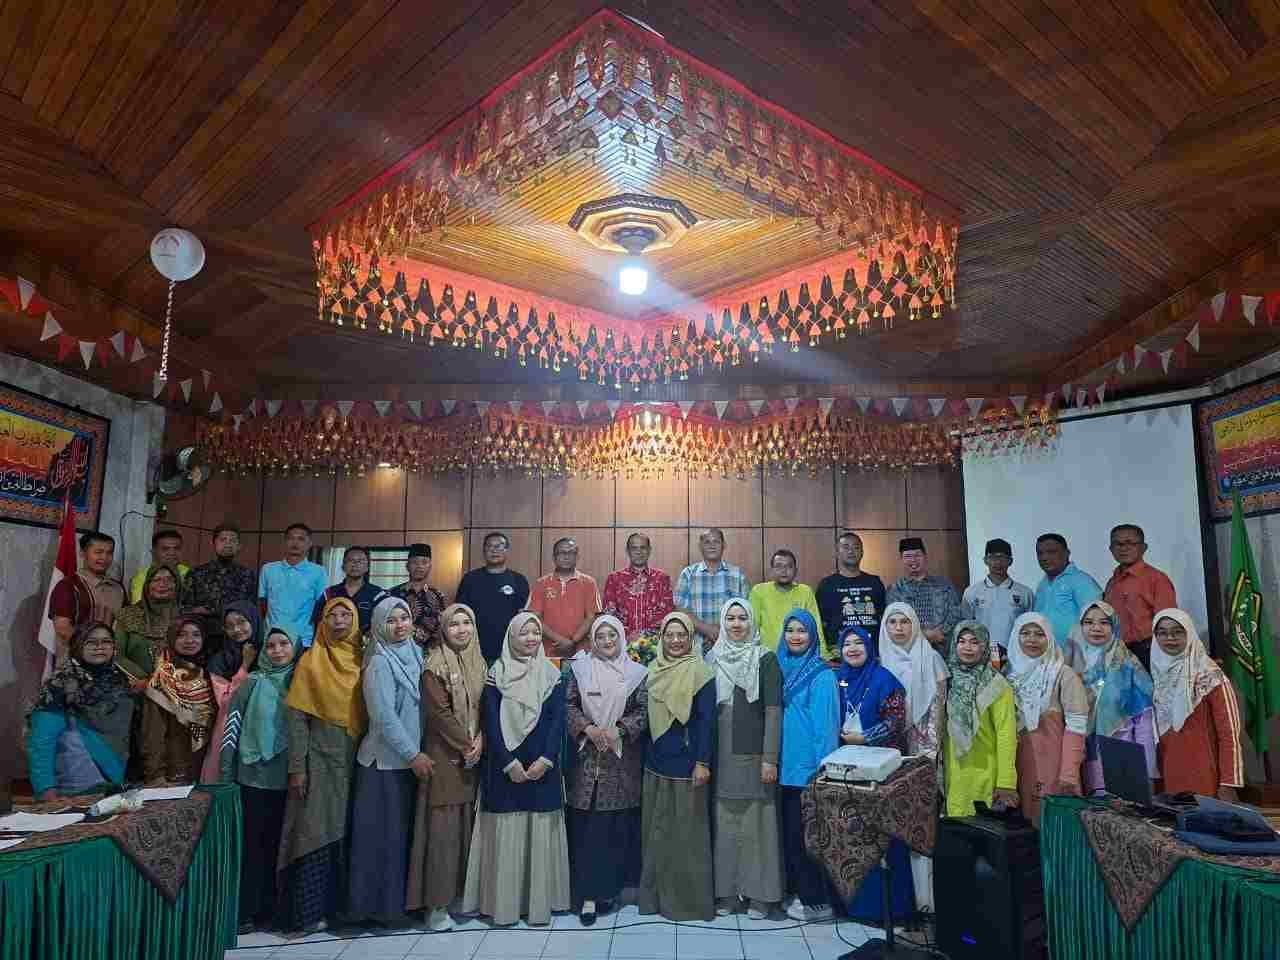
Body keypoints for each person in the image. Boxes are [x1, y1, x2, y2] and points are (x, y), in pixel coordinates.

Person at [462, 612, 571, 926]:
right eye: (524, 633)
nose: (531, 638)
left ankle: (539, 905)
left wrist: (546, 760)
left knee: (539, 829)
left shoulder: (551, 675)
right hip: (504, 769)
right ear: (511, 637)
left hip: (542, 770)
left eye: (536, 633)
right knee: (507, 833)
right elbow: (490, 724)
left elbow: (557, 722)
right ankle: (505, 906)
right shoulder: (496, 674)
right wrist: (508, 763)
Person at [278, 597, 364, 935]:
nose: (339, 620)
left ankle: (343, 912)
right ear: (322, 622)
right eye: (332, 615)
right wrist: (297, 768)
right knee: (316, 834)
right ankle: (307, 914)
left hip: (358, 761)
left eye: (346, 615)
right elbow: (297, 721)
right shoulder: (310, 662)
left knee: (351, 833)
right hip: (321, 761)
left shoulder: (364, 658)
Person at [348, 596, 428, 928]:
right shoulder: (379, 662)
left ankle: (398, 906)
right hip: (383, 765)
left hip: (408, 764)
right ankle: (377, 910)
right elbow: (383, 717)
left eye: (404, 618)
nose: (399, 626)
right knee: (381, 842)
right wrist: (413, 754)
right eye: (391, 620)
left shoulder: (417, 654)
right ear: (380, 626)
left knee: (400, 837)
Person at [407, 603, 487, 931]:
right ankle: (436, 906)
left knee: (465, 828)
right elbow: (439, 714)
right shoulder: (434, 664)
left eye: (467, 622)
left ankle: (458, 897)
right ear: (443, 629)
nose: (461, 629)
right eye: (454, 624)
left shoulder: (479, 662)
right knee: (443, 833)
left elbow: (485, 707)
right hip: (444, 756)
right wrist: (468, 746)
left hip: (473, 757)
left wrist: (481, 739)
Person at [565, 614, 649, 925]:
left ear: (621, 637)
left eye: (612, 635)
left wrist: (620, 729)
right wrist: (587, 728)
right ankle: (587, 896)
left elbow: (644, 710)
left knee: (614, 830)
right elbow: (568, 705)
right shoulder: (580, 669)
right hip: (586, 760)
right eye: (600, 637)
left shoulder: (637, 673)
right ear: (593, 641)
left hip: (620, 762)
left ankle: (609, 892)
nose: (607, 641)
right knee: (586, 830)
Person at [218, 627, 300, 933]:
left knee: (281, 846)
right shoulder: (252, 682)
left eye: (284, 644)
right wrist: (226, 773)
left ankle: (275, 910)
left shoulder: (300, 681)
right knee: (252, 847)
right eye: (271, 645)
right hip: (252, 777)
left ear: (295, 647)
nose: (277, 651)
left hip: (289, 779)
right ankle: (248, 911)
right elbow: (232, 726)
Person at [707, 599, 783, 919]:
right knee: (725, 827)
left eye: (742, 618)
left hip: (754, 755)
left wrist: (770, 758)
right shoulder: (712, 657)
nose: (737, 624)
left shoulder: (765, 659)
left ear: (751, 622)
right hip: (719, 755)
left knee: (757, 828)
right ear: (723, 623)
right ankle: (726, 894)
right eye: (731, 618)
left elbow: (773, 711)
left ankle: (760, 896)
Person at [639, 612, 716, 921]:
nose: (675, 641)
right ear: (662, 638)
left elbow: (706, 722)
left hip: (688, 764)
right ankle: (654, 898)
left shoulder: (701, 672)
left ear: (690, 638)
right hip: (656, 762)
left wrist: (702, 762)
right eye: (669, 635)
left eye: (681, 635)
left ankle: (688, 903)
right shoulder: (653, 669)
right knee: (657, 833)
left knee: (686, 836)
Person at [835, 626, 912, 923]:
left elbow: (895, 722)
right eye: (847, 644)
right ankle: (859, 909)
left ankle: (893, 910)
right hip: (848, 769)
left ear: (869, 647)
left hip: (882, 772)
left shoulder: (884, 679)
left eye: (859, 643)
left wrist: (864, 738)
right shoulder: (838, 679)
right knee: (855, 839)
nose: (853, 648)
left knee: (884, 839)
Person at [878, 601, 948, 911]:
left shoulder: (931, 659)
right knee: (893, 823)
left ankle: (926, 902)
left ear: (915, 625)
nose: (898, 628)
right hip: (889, 754)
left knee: (920, 824)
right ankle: (899, 901)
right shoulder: (880, 661)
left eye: (904, 622)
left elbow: (937, 715)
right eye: (892, 622)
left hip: (921, 754)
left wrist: (926, 758)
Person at [27, 621, 136, 800]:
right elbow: (42, 740)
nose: (99, 647)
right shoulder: (60, 684)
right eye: (91, 642)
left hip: (116, 778)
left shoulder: (120, 680)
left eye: (106, 641)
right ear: (78, 646)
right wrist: (45, 787)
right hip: (76, 781)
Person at [777, 609, 839, 922]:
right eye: (790, 630)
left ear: (813, 636)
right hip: (784, 768)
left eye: (802, 630)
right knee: (791, 838)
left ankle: (817, 903)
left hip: (808, 771)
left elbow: (826, 729)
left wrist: (821, 772)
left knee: (808, 840)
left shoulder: (822, 674)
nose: (795, 636)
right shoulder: (780, 666)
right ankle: (799, 893)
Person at [1150, 609, 1243, 801]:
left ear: (1189, 633)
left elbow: (1229, 732)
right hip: (1168, 775)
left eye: (1177, 631)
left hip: (1205, 777)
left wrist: (1228, 783)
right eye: (1162, 633)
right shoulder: (1157, 673)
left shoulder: (1211, 676)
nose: (1170, 638)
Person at [1066, 602, 1157, 795]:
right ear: (1080, 626)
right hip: (1081, 761)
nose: (1096, 628)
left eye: (1104, 622)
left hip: (1121, 760)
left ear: (1114, 625)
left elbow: (1144, 724)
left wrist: (1147, 773)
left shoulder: (1129, 665)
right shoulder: (1069, 665)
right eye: (1088, 622)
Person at [1007, 613, 1087, 826]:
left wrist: (1069, 773)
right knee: (1024, 830)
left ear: (1049, 638)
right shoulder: (1008, 675)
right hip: (1017, 765)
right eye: (1025, 633)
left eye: (1039, 634)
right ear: (1015, 636)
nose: (1032, 639)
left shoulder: (1063, 674)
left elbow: (1077, 726)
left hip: (1054, 766)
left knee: (1055, 827)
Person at [942, 622, 1017, 817]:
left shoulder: (997, 684)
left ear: (984, 646)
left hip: (984, 771)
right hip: (951, 769)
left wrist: (1005, 781)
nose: (967, 647)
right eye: (962, 641)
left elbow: (1006, 734)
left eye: (974, 642)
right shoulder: (945, 679)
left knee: (980, 828)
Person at [140, 617, 213, 784]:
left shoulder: (210, 674)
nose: (190, 640)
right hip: (173, 770)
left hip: (206, 767)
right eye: (181, 635)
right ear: (172, 638)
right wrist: (156, 774)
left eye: (196, 635)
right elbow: (153, 732)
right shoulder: (161, 679)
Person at [198, 599, 264, 784]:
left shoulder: (270, 652)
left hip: (261, 728)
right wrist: (245, 666)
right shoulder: (219, 661)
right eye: (229, 626)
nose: (236, 630)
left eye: (242, 622)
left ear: (254, 620)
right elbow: (226, 701)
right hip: (230, 729)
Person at [1104, 525, 1177, 670]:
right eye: (1118, 544)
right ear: (1111, 549)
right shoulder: (1112, 583)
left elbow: (1167, 622)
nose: (1123, 548)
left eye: (1130, 543)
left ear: (1143, 548)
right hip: (1119, 652)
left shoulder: (1156, 579)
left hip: (1150, 651)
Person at [48, 531, 126, 666]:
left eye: (109, 553)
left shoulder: (118, 589)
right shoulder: (68, 585)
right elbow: (63, 629)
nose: (104, 557)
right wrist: (95, 652)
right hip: (74, 666)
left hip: (109, 665)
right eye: (98, 552)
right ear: (83, 553)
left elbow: (124, 625)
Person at [455, 531, 531, 664]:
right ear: (484, 551)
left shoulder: (519, 580)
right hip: (474, 650)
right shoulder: (470, 579)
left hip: (510, 650)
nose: (494, 550)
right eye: (489, 546)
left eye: (499, 546)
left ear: (507, 550)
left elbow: (524, 616)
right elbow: (459, 613)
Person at [674, 528, 752, 655]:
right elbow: (680, 609)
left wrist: (722, 633)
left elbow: (746, 612)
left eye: (716, 541)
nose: (712, 545)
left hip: (731, 647)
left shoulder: (737, 575)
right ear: (700, 546)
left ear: (724, 545)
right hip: (695, 647)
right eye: (707, 542)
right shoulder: (688, 574)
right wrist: (707, 629)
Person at [960, 539, 1034, 668]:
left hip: (1015, 656)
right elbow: (965, 626)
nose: (998, 562)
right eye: (993, 557)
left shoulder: (1025, 593)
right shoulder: (972, 592)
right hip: (982, 656)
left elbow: (1030, 626)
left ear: (1010, 561)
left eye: (1003, 558)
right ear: (985, 560)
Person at [527, 537, 601, 660]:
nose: (566, 557)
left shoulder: (589, 582)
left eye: (571, 553)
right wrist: (561, 640)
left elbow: (592, 617)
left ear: (577, 557)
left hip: (581, 652)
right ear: (554, 557)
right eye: (561, 553)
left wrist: (573, 641)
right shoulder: (541, 583)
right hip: (548, 651)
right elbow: (535, 617)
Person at [816, 531, 886, 656]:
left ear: (862, 552)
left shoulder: (875, 582)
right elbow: (820, 623)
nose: (851, 551)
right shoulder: (826, 585)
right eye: (846, 547)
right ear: (837, 553)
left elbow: (884, 618)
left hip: (873, 653)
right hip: (839, 655)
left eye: (856, 547)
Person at [184, 523, 257, 643]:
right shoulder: (196, 573)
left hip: (236, 636)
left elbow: (251, 610)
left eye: (232, 540)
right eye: (223, 540)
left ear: (239, 546)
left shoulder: (248, 575)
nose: (228, 544)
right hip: (203, 636)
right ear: (213, 543)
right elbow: (185, 607)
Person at [259, 523, 328, 649]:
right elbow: (263, 604)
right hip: (272, 638)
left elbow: (321, 606)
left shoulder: (319, 571)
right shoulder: (268, 569)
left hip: (303, 640)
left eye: (301, 539)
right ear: (285, 542)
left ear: (309, 543)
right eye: (291, 538)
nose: (295, 543)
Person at [886, 537, 961, 652]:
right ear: (901, 559)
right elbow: (892, 622)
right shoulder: (895, 590)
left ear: (925, 557)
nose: (913, 560)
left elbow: (956, 614)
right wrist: (924, 635)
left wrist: (940, 633)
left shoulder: (944, 585)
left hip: (943, 649)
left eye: (917, 555)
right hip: (909, 651)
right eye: (907, 556)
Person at [1032, 534, 1102, 653]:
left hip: (1076, 657)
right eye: (1040, 553)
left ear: (1067, 553)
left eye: (1051, 552)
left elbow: (1097, 621)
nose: (1044, 557)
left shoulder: (1081, 581)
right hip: (1046, 656)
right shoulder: (1042, 585)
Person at [750, 549, 826, 658]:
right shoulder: (759, 591)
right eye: (778, 566)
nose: (784, 571)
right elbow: (751, 627)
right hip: (767, 657)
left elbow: (816, 626)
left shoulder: (805, 592)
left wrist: (823, 655)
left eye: (789, 566)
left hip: (800, 656)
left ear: (796, 570)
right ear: (772, 570)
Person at [113, 564, 182, 680]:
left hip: (180, 684)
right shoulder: (127, 614)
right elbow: (117, 655)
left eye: (169, 580)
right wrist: (145, 680)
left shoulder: (187, 616)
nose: (162, 584)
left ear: (177, 585)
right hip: (135, 684)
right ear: (147, 585)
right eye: (156, 580)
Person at [601, 532, 674, 640]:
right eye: (634, 548)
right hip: (621, 641)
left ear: (649, 550)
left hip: (654, 642)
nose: (638, 552)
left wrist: (645, 636)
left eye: (643, 548)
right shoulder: (614, 579)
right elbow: (609, 614)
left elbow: (667, 612)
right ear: (627, 551)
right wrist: (627, 635)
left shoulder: (662, 578)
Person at [315, 545, 387, 634]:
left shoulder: (378, 594)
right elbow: (319, 622)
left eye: (360, 561)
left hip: (366, 642)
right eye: (350, 560)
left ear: (367, 567)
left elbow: (384, 623)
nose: (355, 564)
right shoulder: (329, 593)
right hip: (335, 641)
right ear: (343, 566)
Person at [390, 543, 447, 647]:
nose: (419, 566)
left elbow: (443, 626)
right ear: (407, 566)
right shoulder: (393, 594)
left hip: (429, 652)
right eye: (414, 562)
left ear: (430, 567)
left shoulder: (438, 595)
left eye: (424, 562)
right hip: (398, 650)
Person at [129, 529, 190, 603]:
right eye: (165, 549)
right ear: (153, 552)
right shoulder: (142, 577)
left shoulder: (190, 573)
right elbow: (140, 605)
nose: (172, 553)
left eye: (177, 548)